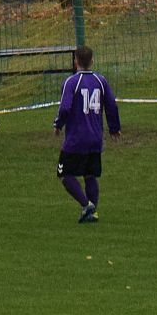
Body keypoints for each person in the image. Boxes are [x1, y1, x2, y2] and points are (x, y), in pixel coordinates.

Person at [53, 45, 120, 224]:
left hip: (76, 139)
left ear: (76, 61)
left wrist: (58, 124)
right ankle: (92, 213)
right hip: (95, 138)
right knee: (90, 175)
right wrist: (114, 128)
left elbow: (65, 108)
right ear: (92, 61)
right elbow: (111, 105)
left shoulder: (71, 82)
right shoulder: (101, 81)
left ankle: (86, 205)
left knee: (65, 174)